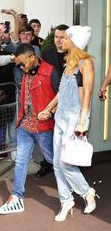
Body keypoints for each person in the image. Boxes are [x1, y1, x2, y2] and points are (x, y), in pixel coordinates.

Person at [39, 25, 99, 222]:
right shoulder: (68, 63)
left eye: (66, 38)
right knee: (56, 164)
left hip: (75, 118)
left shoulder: (86, 62)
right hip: (61, 117)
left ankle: (87, 192)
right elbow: (61, 92)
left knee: (65, 164)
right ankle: (66, 201)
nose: (61, 41)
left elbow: (88, 93)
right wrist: (48, 109)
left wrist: (83, 122)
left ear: (75, 41)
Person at [0, 43, 60, 215]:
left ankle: (78, 190)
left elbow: (62, 96)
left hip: (43, 127)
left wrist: (50, 113)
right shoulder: (24, 72)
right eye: (18, 64)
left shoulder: (50, 71)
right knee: (21, 160)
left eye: (22, 63)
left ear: (32, 57)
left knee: (55, 161)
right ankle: (16, 198)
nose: (20, 67)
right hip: (25, 125)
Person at [36, 24, 69, 178]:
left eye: (62, 37)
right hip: (49, 99)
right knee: (48, 133)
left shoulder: (73, 54)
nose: (58, 40)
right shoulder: (46, 53)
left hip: (68, 100)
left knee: (66, 136)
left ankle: (69, 166)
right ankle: (47, 163)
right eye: (56, 36)